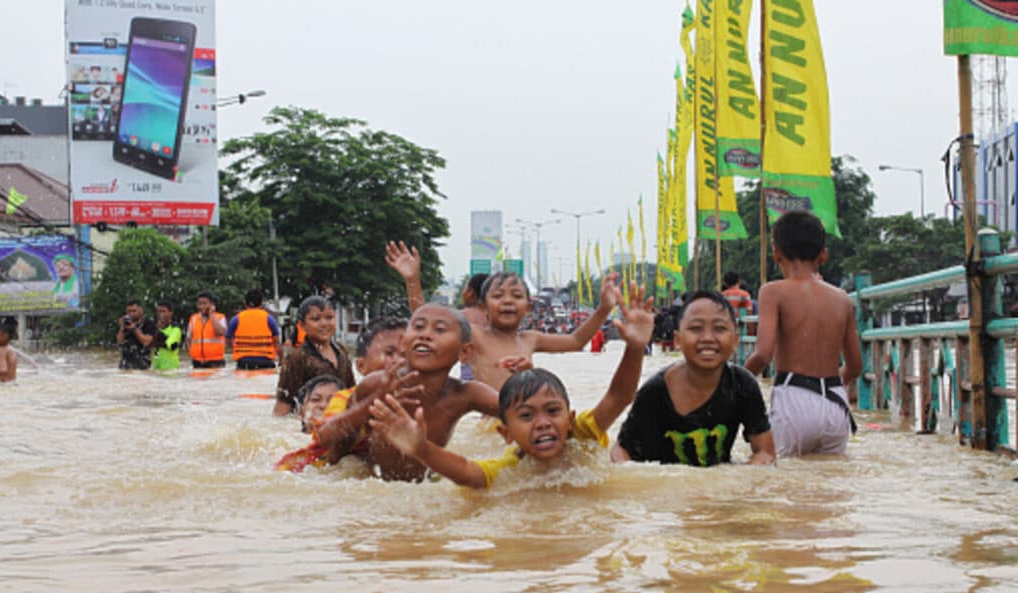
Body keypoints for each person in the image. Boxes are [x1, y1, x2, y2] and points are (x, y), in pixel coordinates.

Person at [367, 285, 655, 489]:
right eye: (527, 417)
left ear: (569, 419)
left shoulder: (583, 432)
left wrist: (635, 348)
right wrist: (421, 449)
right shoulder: (511, 466)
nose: (543, 423)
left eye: (552, 411)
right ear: (506, 433)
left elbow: (619, 396)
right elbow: (469, 473)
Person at [387, 241, 621, 390]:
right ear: (484, 307)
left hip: (519, 419)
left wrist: (603, 309)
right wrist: (412, 281)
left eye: (516, 296)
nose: (508, 301)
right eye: (498, 295)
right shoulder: (475, 336)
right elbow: (426, 319)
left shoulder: (530, 339)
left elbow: (576, 341)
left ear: (528, 307)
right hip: (486, 423)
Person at [316, 303, 501, 481]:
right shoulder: (376, 385)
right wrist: (375, 400)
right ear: (403, 342)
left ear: (464, 352)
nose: (425, 335)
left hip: (424, 489)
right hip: (370, 487)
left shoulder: (465, 394)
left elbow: (517, 410)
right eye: (419, 327)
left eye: (440, 330)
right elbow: (326, 438)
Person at [745, 210, 863, 456]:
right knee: (827, 486)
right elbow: (855, 367)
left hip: (794, 399)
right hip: (835, 403)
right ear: (824, 255)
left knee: (781, 481)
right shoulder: (842, 299)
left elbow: (763, 355)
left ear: (776, 253)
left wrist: (731, 382)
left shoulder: (773, 292)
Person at [611, 290, 775, 466]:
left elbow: (765, 452)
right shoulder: (655, 391)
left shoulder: (743, 385)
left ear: (735, 340)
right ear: (677, 340)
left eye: (719, 328)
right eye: (696, 328)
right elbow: (621, 450)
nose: (707, 338)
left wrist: (736, 485)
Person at [274, 317, 408, 472]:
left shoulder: (415, 399)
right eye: (390, 353)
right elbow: (326, 437)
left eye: (406, 354)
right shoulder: (344, 399)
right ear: (361, 366)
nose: (400, 362)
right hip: (313, 471)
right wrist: (370, 404)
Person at [273, 296, 354, 416]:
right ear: (302, 326)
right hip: (311, 420)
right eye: (316, 319)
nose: (324, 324)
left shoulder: (341, 352)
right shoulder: (297, 358)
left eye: (329, 318)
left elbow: (351, 393)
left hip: (337, 420)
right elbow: (284, 401)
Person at [226, 289, 282, 370]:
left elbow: (228, 340)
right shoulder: (269, 319)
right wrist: (281, 360)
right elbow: (277, 343)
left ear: (245, 303)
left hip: (244, 362)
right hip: (265, 361)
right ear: (261, 303)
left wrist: (237, 348)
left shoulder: (236, 319)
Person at [186, 291, 227, 368]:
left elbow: (220, 332)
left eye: (205, 303)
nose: (201, 306)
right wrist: (192, 353)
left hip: (216, 362)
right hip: (197, 362)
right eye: (199, 304)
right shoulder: (193, 319)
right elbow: (188, 339)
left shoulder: (220, 317)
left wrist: (211, 314)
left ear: (211, 304)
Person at [116, 299, 155, 370]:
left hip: (143, 363)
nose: (131, 314)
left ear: (141, 311)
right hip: (125, 364)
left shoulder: (149, 323)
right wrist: (122, 328)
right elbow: (119, 342)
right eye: (129, 311)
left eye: (134, 311)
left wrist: (134, 329)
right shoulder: (126, 323)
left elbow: (146, 342)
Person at [151, 301, 183, 371]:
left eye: (164, 311)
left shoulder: (175, 328)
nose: (161, 314)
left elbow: (171, 345)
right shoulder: (155, 327)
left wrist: (157, 333)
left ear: (171, 313)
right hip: (157, 368)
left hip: (171, 368)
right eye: (159, 312)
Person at [0, 317, 19, 382]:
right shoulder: (10, 349)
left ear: (5, 336)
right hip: (12, 383)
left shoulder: (1, 350)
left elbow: (3, 370)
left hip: (3, 384)